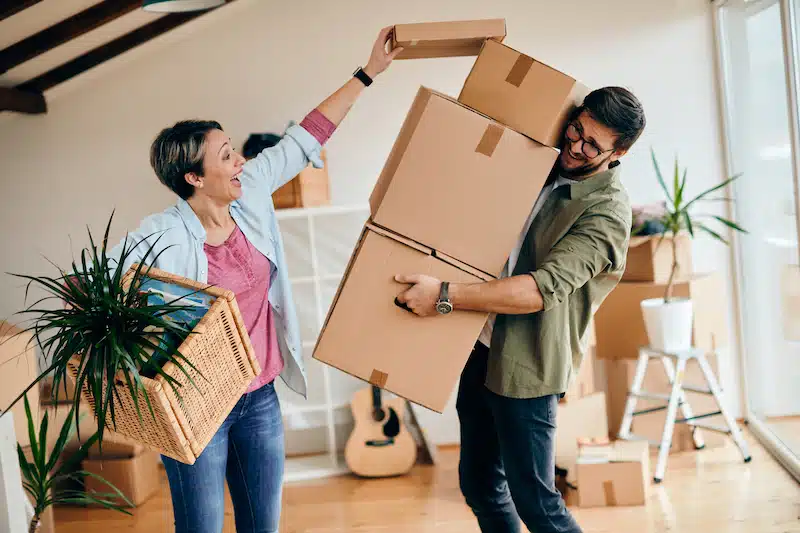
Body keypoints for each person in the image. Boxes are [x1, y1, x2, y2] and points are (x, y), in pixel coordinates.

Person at [106, 26, 402, 533]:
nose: (240, 159)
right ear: (194, 179)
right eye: (225, 156)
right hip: (197, 405)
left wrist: (369, 71)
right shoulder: (161, 234)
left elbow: (307, 135)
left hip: (259, 397)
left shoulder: (253, 193)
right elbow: (94, 283)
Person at [395, 86, 646, 533]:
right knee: (478, 484)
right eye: (576, 129)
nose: (575, 146)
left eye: (592, 144)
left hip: (527, 364)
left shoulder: (606, 213)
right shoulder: (542, 162)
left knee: (537, 503)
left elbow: (540, 291)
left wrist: (445, 295)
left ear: (618, 152)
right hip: (481, 344)